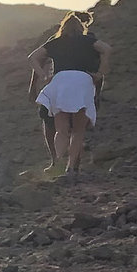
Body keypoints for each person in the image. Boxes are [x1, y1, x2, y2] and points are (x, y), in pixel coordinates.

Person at [28, 11, 107, 178]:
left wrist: (40, 80)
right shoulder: (90, 42)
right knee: (78, 130)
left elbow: (34, 58)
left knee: (58, 127)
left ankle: (57, 162)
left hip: (60, 86)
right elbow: (102, 59)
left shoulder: (56, 42)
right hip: (83, 85)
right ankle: (72, 167)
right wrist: (99, 81)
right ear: (83, 26)